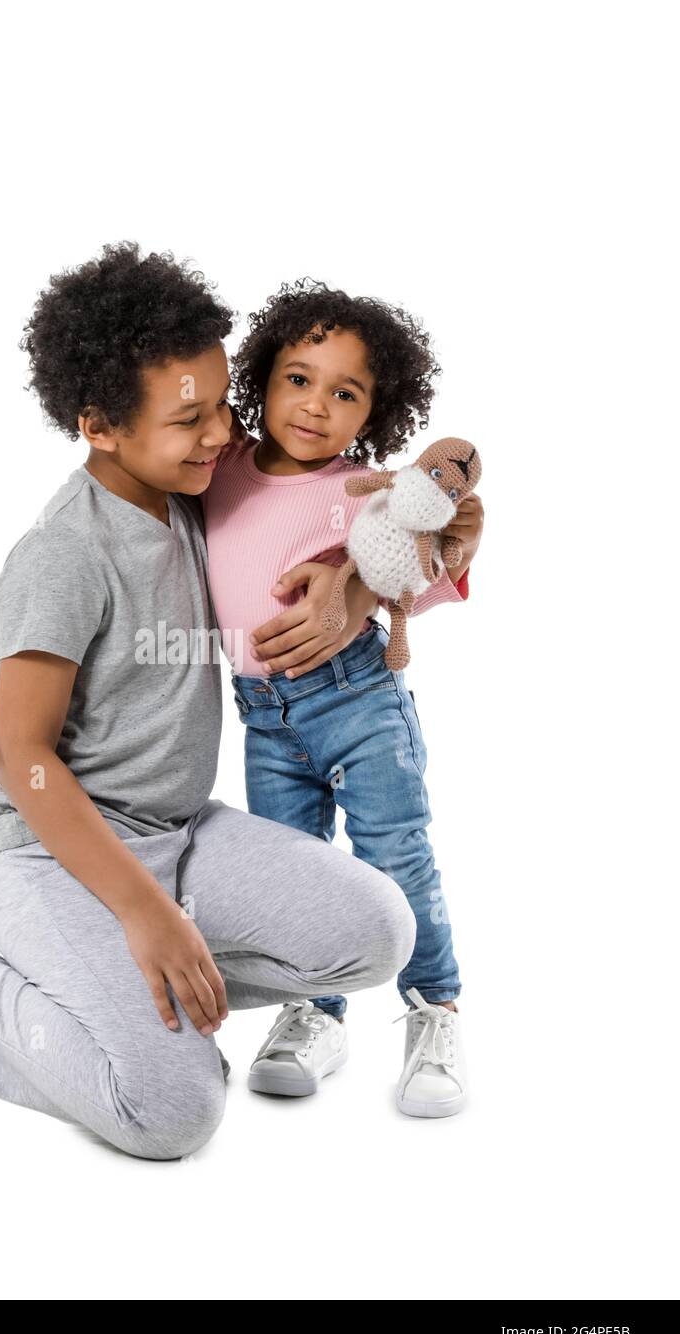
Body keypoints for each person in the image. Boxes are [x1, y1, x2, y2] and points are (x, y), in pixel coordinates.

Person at [0, 243, 416, 1159]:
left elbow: (404, 504)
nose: (222, 432)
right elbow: (22, 754)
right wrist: (143, 914)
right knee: (170, 1113)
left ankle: (121, 1013)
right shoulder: (63, 554)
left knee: (378, 935)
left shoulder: (199, 485)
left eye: (224, 401)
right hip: (50, 855)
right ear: (99, 425)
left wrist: (363, 591)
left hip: (179, 832)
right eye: (190, 418)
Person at [199, 280, 484, 1116]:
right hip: (263, 717)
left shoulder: (369, 490)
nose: (316, 405)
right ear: (262, 379)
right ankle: (312, 1015)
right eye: (298, 378)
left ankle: (434, 1012)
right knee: (293, 872)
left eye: (345, 392)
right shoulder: (222, 470)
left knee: (393, 857)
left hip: (357, 701)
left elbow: (436, 555)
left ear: (374, 413)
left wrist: (356, 581)